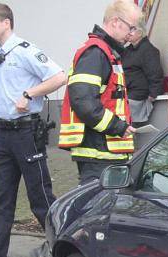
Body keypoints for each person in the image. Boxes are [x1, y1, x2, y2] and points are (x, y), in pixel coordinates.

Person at [0, 3, 65, 257]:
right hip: (3, 135)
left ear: (6, 23)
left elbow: (59, 77)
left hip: (26, 134)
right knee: (1, 198)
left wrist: (29, 94)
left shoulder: (25, 51)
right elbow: (0, 99)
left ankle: (63, 251)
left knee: (40, 198)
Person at [59, 0, 140, 184]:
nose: (132, 34)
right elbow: (84, 102)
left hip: (106, 152)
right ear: (115, 22)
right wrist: (118, 127)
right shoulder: (95, 53)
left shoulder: (108, 53)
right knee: (95, 208)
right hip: (98, 153)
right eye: (131, 28)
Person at [123, 21, 163, 126]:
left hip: (136, 99)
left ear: (141, 32)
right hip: (126, 96)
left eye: (132, 29)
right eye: (128, 28)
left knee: (131, 130)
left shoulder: (149, 50)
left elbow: (155, 75)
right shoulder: (127, 50)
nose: (129, 32)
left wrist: (152, 95)